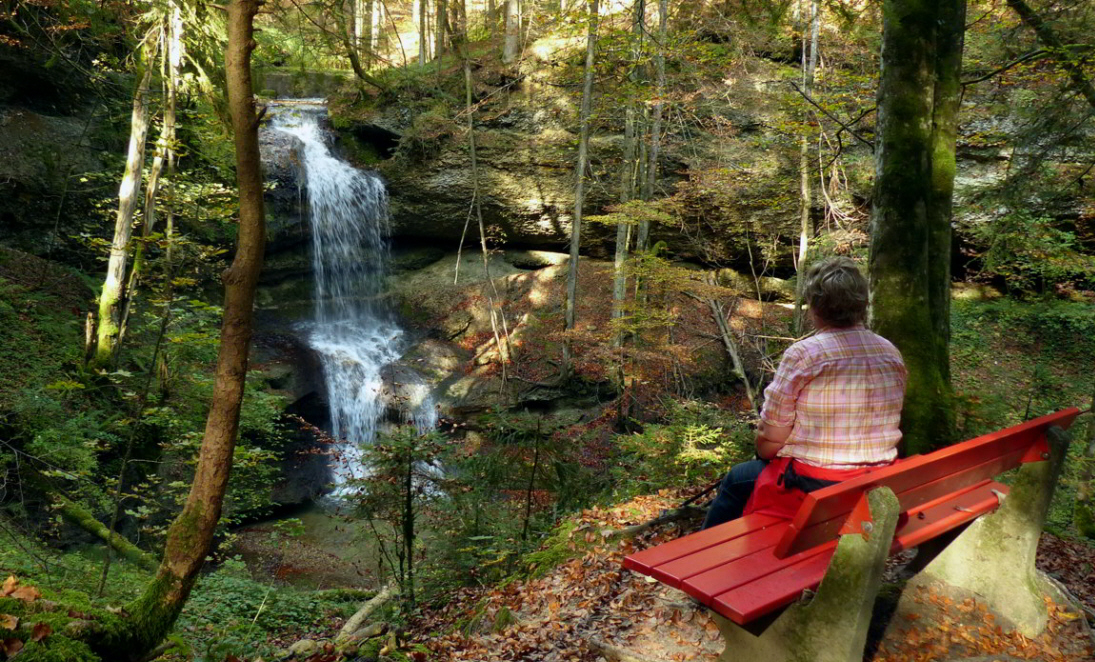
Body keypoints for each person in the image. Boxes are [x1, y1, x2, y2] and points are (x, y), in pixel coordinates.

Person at [702, 256, 907, 529]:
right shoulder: (889, 352)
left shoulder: (805, 354)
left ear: (815, 306)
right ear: (862, 304)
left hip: (816, 483)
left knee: (738, 478)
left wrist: (765, 452)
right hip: (876, 480)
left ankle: (712, 558)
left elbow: (769, 436)